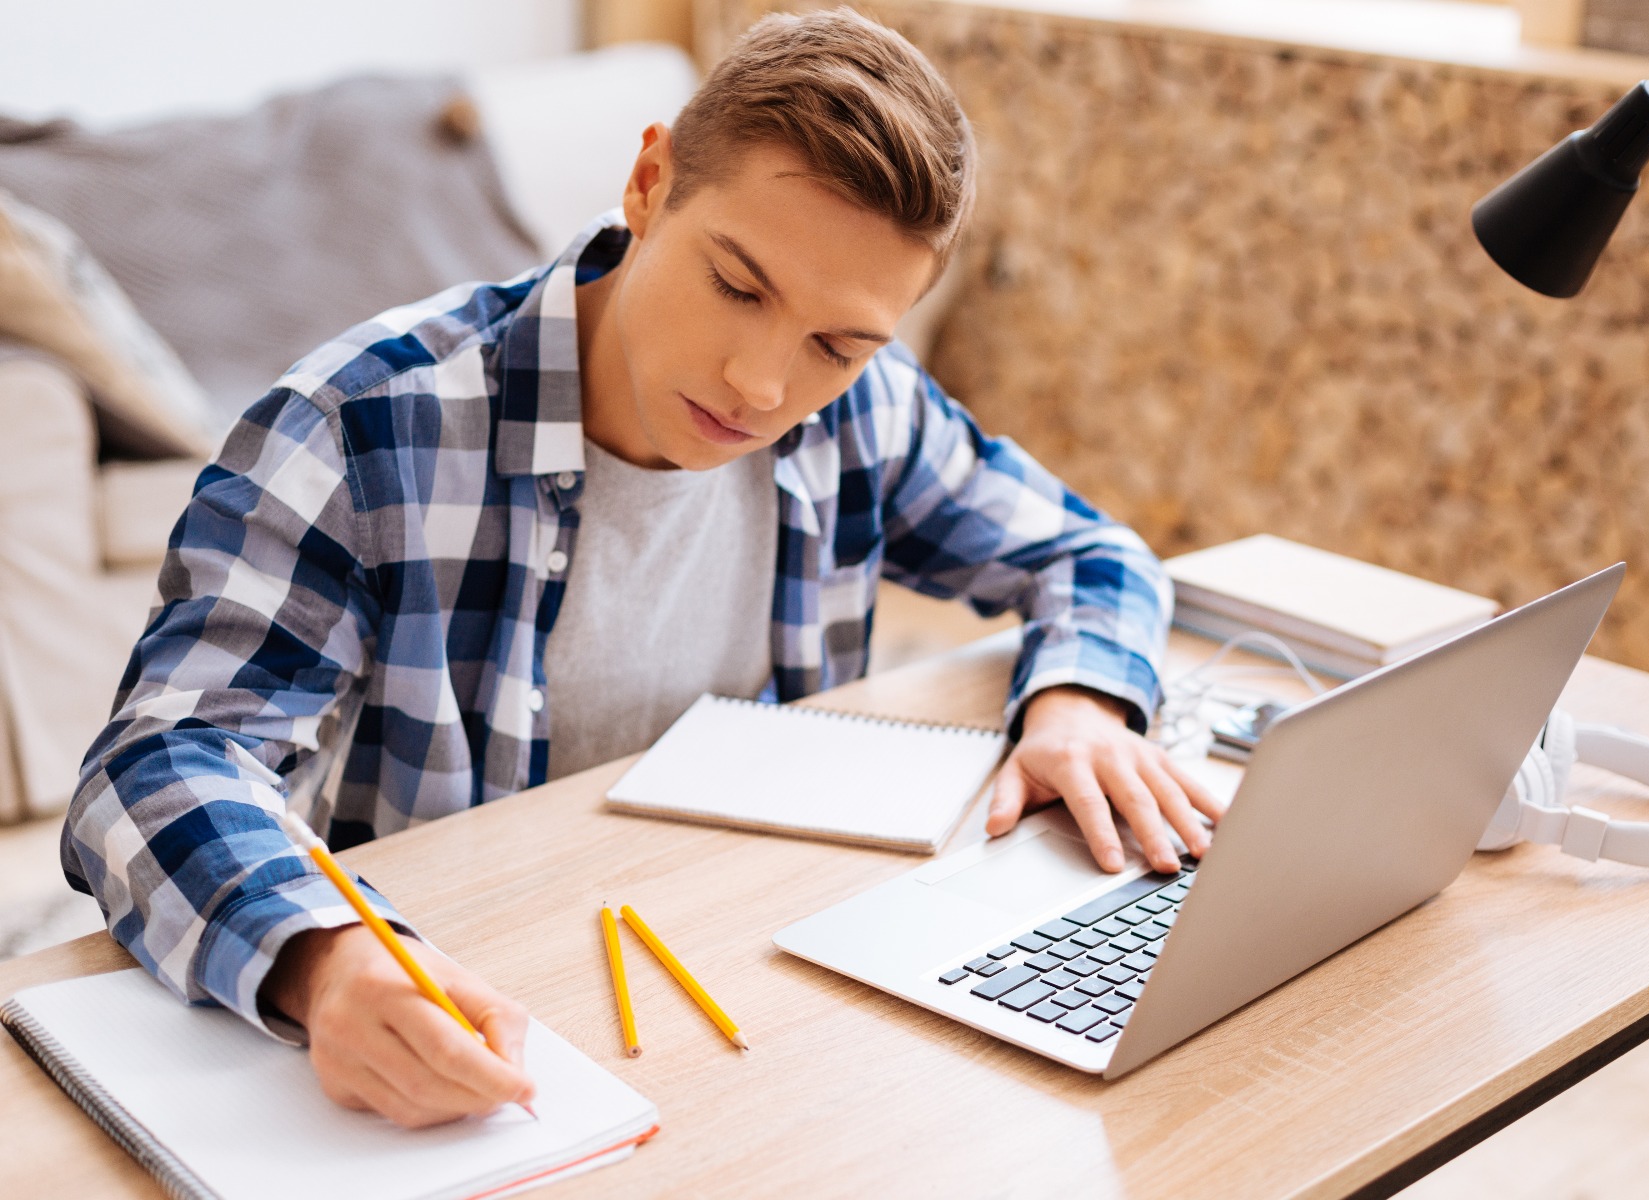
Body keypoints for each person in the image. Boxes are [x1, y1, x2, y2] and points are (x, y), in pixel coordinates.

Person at [62, 8, 1218, 1128]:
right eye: (737, 285)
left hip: (741, 996)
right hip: (461, 1015)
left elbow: (1088, 550)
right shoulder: (364, 429)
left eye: (836, 343)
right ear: (650, 183)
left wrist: (1080, 704)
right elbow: (158, 764)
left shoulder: (866, 413)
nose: (762, 386)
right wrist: (321, 964)